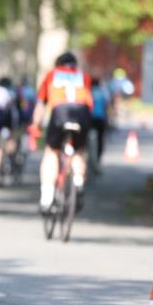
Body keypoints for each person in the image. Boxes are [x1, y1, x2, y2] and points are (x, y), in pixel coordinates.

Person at [28, 51, 94, 214]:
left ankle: (47, 197)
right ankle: (78, 181)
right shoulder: (84, 76)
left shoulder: (51, 75)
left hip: (60, 112)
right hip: (82, 112)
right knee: (78, 150)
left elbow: (40, 105)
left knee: (52, 152)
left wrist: (35, 126)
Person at [89, 76, 111, 171]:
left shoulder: (88, 91)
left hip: (89, 119)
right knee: (100, 139)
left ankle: (88, 157)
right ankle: (98, 159)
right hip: (100, 119)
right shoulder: (103, 92)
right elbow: (107, 105)